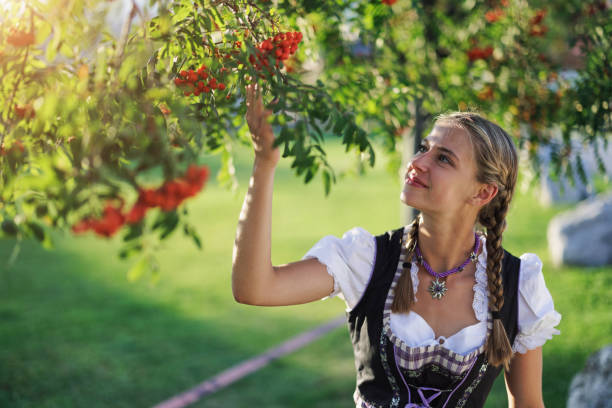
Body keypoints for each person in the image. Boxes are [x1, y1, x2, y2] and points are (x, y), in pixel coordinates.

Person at [232, 83, 561, 407]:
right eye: (424, 147)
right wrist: (265, 162)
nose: (418, 162)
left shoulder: (518, 283)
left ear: (482, 193)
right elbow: (255, 288)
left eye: (444, 159)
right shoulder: (368, 260)